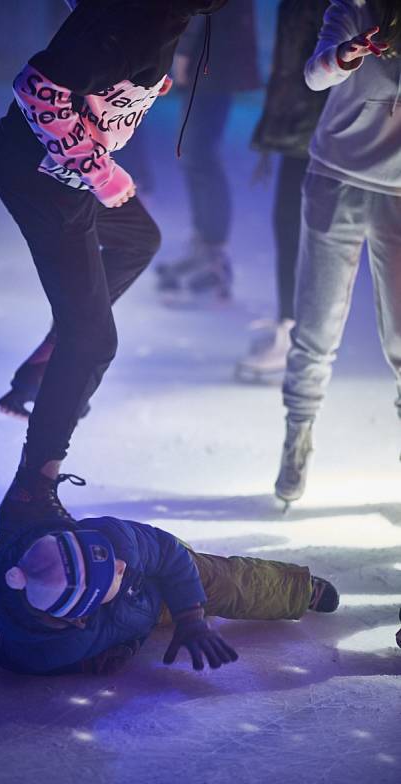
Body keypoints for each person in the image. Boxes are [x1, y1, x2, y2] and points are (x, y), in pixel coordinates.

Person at [0, 0, 232, 551]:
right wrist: (97, 169)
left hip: (65, 177)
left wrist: (135, 93)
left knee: (137, 240)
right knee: (94, 339)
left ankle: (54, 353)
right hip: (45, 182)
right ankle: (31, 490)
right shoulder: (137, 18)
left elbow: (91, 46)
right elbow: (37, 88)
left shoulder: (158, 17)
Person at [274, 0, 401, 506]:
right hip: (336, 176)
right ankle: (297, 437)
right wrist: (347, 55)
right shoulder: (355, 7)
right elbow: (315, 73)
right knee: (317, 326)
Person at [0, 516, 339, 676]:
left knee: (224, 582)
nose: (118, 565)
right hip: (141, 615)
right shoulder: (53, 646)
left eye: (109, 558)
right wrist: (87, 662)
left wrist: (190, 615)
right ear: (79, 616)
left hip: (164, 569)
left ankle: (298, 590)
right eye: (109, 575)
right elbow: (13, 659)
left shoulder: (117, 542)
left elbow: (169, 554)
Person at [235, 0, 329, 383]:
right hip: (299, 127)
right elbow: (289, 64)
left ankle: (299, 335)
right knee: (290, 225)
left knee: (305, 231)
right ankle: (292, 325)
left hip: (323, 128)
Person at [155, 3, 260, 307]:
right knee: (196, 152)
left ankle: (213, 254)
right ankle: (206, 248)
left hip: (213, 54)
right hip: (216, 52)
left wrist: (185, 50)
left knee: (198, 152)